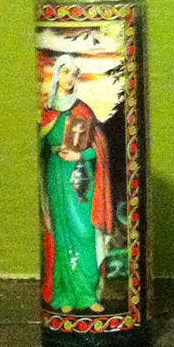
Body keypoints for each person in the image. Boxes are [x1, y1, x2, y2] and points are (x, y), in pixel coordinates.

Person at [40, 56, 114, 312]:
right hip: (56, 175)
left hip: (81, 176)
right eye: (65, 72)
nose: (70, 78)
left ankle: (87, 295)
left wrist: (80, 155)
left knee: (83, 230)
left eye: (75, 73)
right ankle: (64, 296)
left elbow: (99, 148)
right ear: (57, 74)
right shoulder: (47, 113)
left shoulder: (82, 111)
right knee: (60, 231)